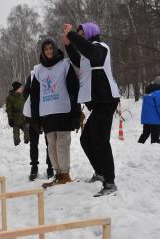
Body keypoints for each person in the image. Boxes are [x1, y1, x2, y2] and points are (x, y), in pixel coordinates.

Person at [63, 22, 120, 197]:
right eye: (78, 34)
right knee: (86, 139)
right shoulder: (89, 52)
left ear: (89, 33)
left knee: (101, 141)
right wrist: (68, 45)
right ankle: (101, 173)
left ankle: (110, 183)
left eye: (81, 34)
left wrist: (72, 35)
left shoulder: (100, 48)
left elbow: (89, 51)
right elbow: (78, 60)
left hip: (107, 100)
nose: (79, 36)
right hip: (99, 102)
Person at [30, 37, 81, 189]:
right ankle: (58, 174)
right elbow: (34, 95)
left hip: (64, 111)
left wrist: (76, 112)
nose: (49, 51)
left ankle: (65, 174)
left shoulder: (65, 65)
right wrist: (35, 118)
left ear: (54, 48)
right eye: (46, 49)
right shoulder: (38, 70)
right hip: (47, 114)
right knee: (51, 145)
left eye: (50, 48)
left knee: (62, 143)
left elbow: (74, 89)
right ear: (43, 52)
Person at [23, 73, 54, 180]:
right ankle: (34, 167)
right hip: (33, 115)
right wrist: (34, 105)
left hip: (47, 115)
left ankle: (50, 167)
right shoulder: (32, 75)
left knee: (49, 143)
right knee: (33, 144)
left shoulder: (50, 75)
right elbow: (25, 94)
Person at [138, 77, 160, 144]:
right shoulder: (158, 93)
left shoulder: (148, 92)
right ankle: (155, 151)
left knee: (145, 134)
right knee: (155, 138)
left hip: (146, 119)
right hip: (155, 120)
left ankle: (137, 147)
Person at [6, 81, 29, 146]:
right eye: (20, 87)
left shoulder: (23, 95)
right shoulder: (9, 98)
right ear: (17, 88)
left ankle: (27, 143)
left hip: (24, 117)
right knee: (16, 134)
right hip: (15, 119)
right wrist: (10, 119)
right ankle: (17, 146)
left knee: (27, 131)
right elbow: (9, 110)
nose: (21, 88)